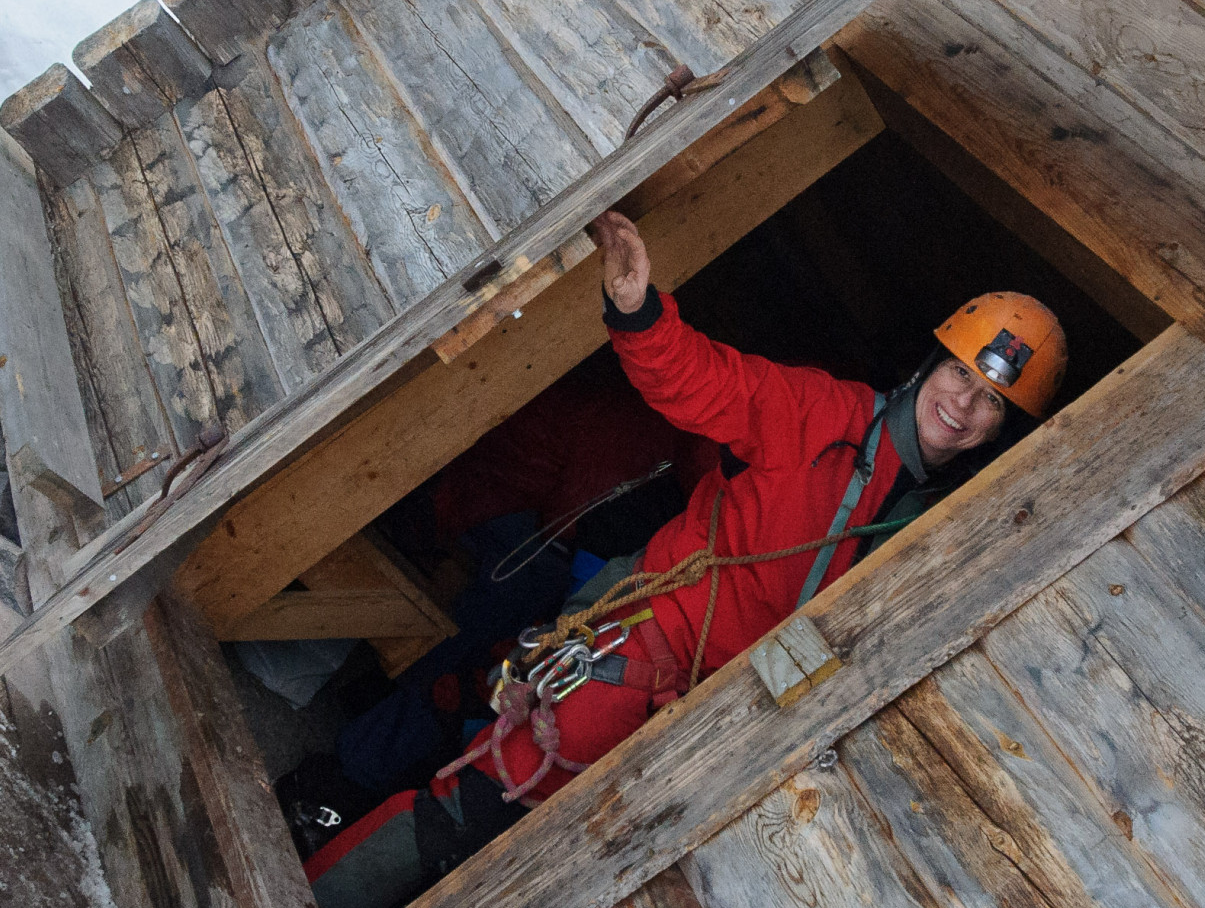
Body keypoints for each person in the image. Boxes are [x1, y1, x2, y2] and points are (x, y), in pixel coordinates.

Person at [430, 206, 1067, 836]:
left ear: (1000, 431)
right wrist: (636, 310)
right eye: (959, 371)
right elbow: (704, 380)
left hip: (731, 731)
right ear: (930, 366)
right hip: (643, 654)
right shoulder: (823, 413)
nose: (963, 402)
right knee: (467, 817)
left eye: (991, 400)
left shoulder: (943, 527)